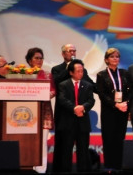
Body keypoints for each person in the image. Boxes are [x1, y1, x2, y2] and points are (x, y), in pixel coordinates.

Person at [51, 43, 94, 173]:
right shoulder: (57, 69)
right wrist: (69, 67)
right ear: (63, 53)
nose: (73, 53)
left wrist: (83, 108)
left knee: (83, 148)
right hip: (65, 115)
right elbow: (56, 83)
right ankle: (61, 170)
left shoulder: (83, 75)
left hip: (82, 117)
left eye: (74, 51)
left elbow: (91, 90)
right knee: (64, 147)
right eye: (70, 51)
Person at [95, 47, 130, 170]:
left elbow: (130, 91)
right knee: (109, 138)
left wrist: (126, 104)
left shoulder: (124, 73)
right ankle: (109, 166)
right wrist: (116, 105)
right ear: (106, 60)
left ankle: (119, 165)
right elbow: (101, 94)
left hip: (123, 111)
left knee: (120, 138)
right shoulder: (101, 75)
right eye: (112, 56)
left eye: (117, 56)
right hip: (109, 111)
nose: (115, 58)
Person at [26, 47, 55, 173]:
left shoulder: (48, 74)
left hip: (44, 111)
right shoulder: (23, 74)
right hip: (27, 112)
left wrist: (46, 95)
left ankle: (41, 169)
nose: (39, 60)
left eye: (41, 58)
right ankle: (27, 166)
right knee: (28, 141)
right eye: (36, 58)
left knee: (42, 142)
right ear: (29, 60)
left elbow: (54, 91)